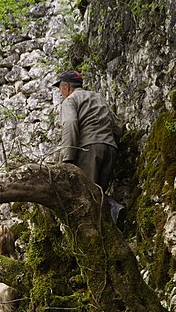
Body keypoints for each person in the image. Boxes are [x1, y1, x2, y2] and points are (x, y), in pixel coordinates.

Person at [53, 69, 125, 227]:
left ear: (67, 87)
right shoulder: (97, 97)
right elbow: (115, 125)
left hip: (88, 150)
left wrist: (68, 158)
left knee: (85, 196)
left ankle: (112, 210)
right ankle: (110, 218)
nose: (60, 93)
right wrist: (112, 143)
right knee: (97, 192)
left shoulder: (70, 100)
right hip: (110, 148)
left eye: (60, 89)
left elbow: (70, 124)